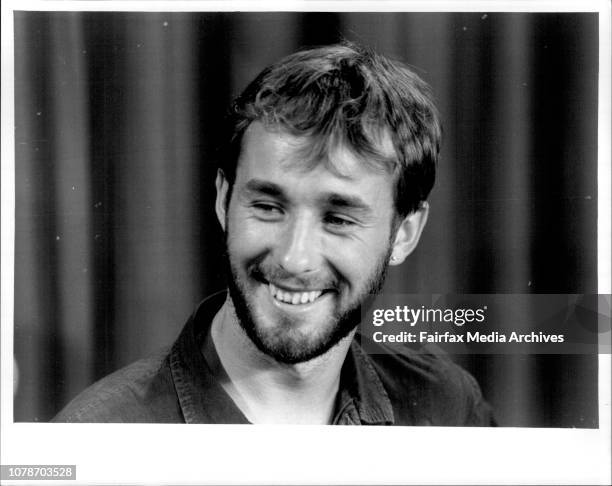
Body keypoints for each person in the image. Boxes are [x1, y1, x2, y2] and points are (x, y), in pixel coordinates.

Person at [53, 42, 494, 425]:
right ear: (224, 201)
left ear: (404, 234)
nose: (293, 259)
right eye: (267, 207)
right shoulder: (99, 436)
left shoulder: (448, 403)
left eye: (338, 219)